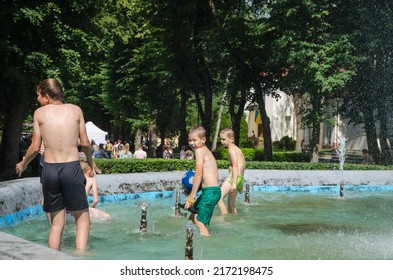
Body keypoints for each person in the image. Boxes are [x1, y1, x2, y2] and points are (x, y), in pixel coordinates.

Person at [15, 78, 94, 251]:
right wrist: (90, 163)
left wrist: (23, 163)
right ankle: (81, 260)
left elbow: (35, 147)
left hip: (49, 170)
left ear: (47, 95)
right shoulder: (75, 110)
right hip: (71, 168)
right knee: (82, 219)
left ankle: (52, 262)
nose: (37, 99)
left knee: (57, 224)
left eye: (38, 95)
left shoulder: (39, 114)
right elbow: (86, 143)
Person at [184, 125, 221, 236]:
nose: (191, 143)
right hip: (209, 192)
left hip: (210, 192)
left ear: (203, 139)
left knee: (200, 222)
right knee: (192, 216)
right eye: (189, 140)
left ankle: (207, 245)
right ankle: (190, 238)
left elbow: (198, 174)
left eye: (194, 140)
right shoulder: (204, 150)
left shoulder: (199, 151)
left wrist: (191, 197)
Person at [217, 128, 246, 215]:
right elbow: (243, 165)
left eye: (224, 139)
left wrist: (233, 183)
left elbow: (235, 166)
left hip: (233, 178)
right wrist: (240, 184)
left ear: (231, 139)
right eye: (221, 139)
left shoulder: (231, 150)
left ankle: (224, 217)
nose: (222, 141)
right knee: (231, 204)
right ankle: (234, 219)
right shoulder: (237, 149)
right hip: (239, 178)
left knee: (218, 198)